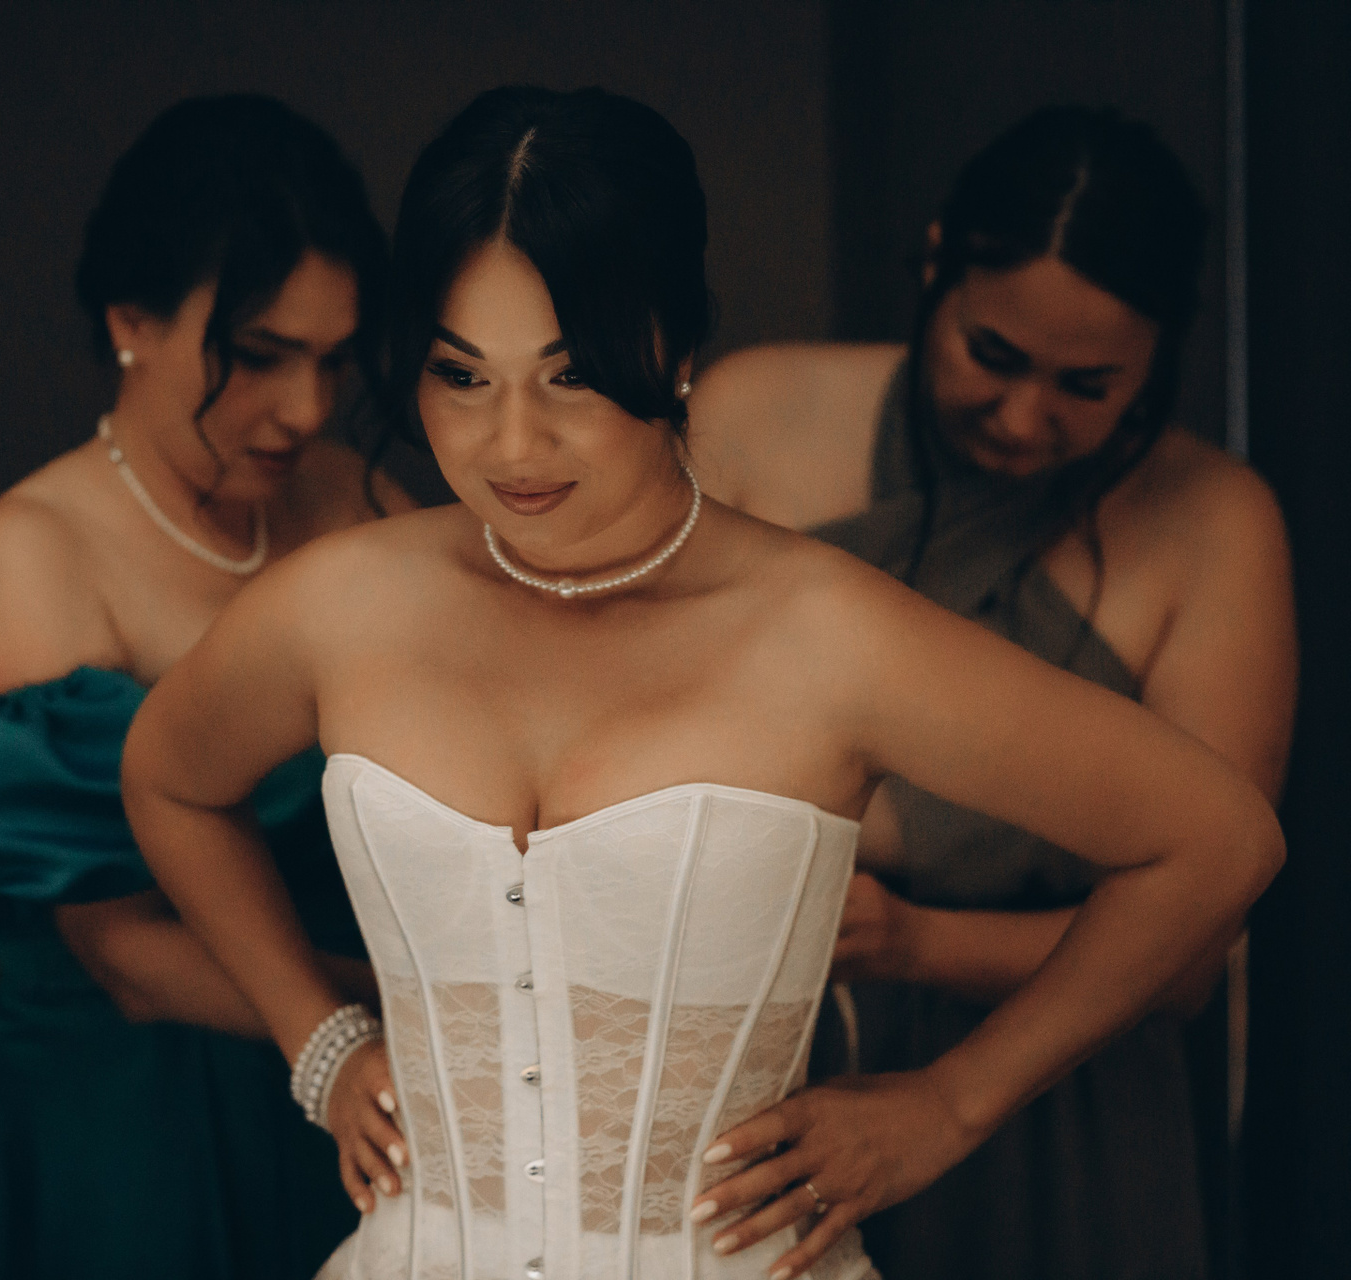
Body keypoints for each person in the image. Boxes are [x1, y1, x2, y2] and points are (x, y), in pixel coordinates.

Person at [117, 87, 1283, 1280]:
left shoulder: (826, 631)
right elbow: (167, 779)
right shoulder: (343, 601)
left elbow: (1217, 839)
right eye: (461, 375)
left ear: (675, 350)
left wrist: (950, 1102)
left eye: (572, 375)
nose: (511, 443)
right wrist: (318, 1039)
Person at [686, 106, 1296, 1279]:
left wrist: (917, 941)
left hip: (1060, 1083)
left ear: (1160, 356)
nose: (1023, 418)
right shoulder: (757, 414)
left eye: (1088, 384)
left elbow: (1191, 948)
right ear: (935, 266)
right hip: (764, 1067)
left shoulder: (1218, 524)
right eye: (994, 355)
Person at [0, 94, 412, 1278]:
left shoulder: (353, 498)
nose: (306, 408)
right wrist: (410, 1023)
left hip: (376, 1097)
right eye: (260, 356)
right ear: (131, 321)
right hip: (135, 1122)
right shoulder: (23, 558)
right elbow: (126, 947)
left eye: (333, 359)